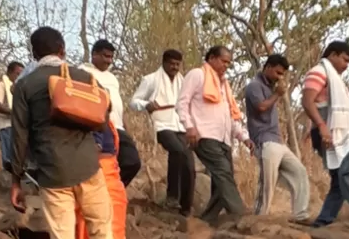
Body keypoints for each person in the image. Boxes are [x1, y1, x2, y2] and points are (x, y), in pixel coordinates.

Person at [11, 26, 127, 239]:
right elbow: (104, 116)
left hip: (52, 172)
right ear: (62, 50)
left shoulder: (24, 86)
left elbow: (20, 137)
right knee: (101, 232)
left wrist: (16, 179)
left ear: (34, 54)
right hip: (89, 165)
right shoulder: (84, 76)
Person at [76, 80, 141, 239]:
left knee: (96, 236)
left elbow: (96, 156)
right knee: (113, 237)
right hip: (114, 186)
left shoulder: (95, 128)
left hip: (100, 183)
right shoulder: (110, 127)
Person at [304, 40, 349, 228]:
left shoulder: (333, 78)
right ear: (332, 55)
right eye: (344, 60)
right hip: (328, 132)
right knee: (346, 177)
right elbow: (308, 101)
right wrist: (321, 126)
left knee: (346, 177)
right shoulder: (319, 72)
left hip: (337, 133)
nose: (346, 65)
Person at [178, 45, 247, 222]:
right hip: (204, 135)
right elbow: (182, 103)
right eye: (224, 61)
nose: (226, 66)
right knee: (223, 173)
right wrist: (189, 126)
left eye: (229, 63)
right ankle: (240, 216)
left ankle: (206, 221)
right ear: (211, 58)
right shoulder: (197, 75)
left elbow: (230, 115)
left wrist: (244, 137)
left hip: (224, 139)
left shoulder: (224, 85)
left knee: (223, 178)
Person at [245, 52, 312, 219]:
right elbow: (261, 107)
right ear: (267, 67)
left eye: (282, 73)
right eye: (277, 72)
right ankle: (259, 218)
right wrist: (277, 95)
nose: (280, 76)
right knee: (267, 182)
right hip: (264, 141)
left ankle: (300, 214)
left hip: (278, 141)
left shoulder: (270, 88)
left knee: (299, 171)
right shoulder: (254, 86)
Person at [132, 49, 193, 213]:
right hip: (162, 125)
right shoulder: (151, 79)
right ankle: (172, 198)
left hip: (181, 125)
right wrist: (146, 105)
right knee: (177, 150)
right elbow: (134, 101)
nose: (174, 67)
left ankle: (186, 208)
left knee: (189, 164)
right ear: (164, 63)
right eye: (171, 64)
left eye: (177, 64)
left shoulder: (183, 81)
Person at [86, 38, 140, 188]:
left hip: (118, 126)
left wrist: (125, 125)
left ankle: (112, 190)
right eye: (105, 56)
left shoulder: (112, 78)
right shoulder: (84, 72)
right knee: (101, 162)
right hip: (99, 126)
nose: (109, 61)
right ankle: (98, 193)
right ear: (94, 54)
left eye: (111, 57)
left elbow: (117, 103)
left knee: (132, 161)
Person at [0, 60, 25, 170]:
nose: (19, 77)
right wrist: (13, 112)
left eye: (21, 74)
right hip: (5, 126)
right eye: (17, 74)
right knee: (9, 159)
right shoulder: (1, 85)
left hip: (18, 127)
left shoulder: (19, 89)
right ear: (9, 73)